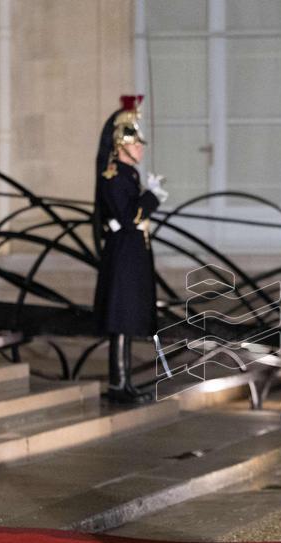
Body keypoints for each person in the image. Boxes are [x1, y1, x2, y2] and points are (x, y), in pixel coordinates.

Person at [92, 95, 168, 404]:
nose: (140, 148)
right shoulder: (114, 176)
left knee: (127, 320)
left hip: (131, 254)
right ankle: (117, 383)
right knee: (120, 321)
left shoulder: (129, 175)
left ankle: (123, 383)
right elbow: (127, 217)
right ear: (121, 145)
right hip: (122, 254)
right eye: (136, 143)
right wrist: (150, 198)